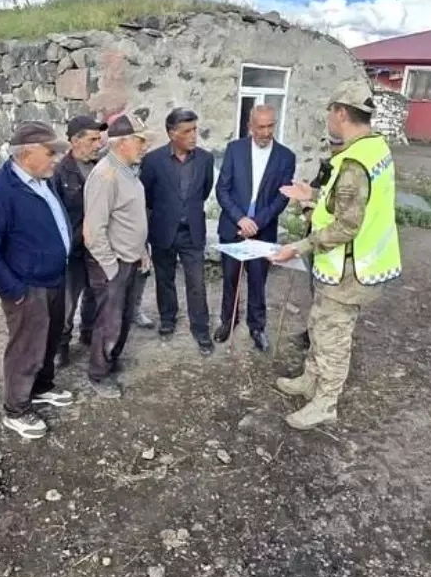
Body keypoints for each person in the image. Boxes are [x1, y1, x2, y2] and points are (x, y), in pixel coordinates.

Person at [269, 80, 402, 430]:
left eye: (330, 111)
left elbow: (347, 225)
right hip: (345, 265)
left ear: (341, 113)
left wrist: (299, 246)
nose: (328, 117)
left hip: (350, 269)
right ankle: (310, 379)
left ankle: (325, 403)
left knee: (333, 338)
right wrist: (311, 195)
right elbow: (344, 202)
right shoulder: (374, 149)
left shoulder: (355, 162)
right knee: (319, 324)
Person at [0, 121, 76, 440]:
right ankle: (16, 409)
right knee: (26, 347)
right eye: (50, 152)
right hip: (27, 285)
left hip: (54, 277)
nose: (57, 158)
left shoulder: (44, 180)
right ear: (27, 153)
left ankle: (41, 387)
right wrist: (13, 289)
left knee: (50, 338)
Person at [213, 104, 296, 351]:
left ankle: (257, 327)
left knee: (258, 281)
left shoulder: (286, 157)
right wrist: (241, 218)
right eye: (261, 127)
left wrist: (257, 222)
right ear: (250, 126)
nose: (266, 132)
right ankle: (228, 321)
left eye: (271, 126)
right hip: (233, 227)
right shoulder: (234, 149)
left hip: (263, 230)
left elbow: (282, 198)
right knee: (230, 278)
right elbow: (222, 189)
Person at [83, 113, 152, 399]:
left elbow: (130, 217)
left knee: (122, 317)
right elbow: (92, 231)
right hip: (112, 264)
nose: (145, 146)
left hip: (128, 259)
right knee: (108, 321)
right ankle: (98, 374)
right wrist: (111, 267)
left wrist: (141, 251)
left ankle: (110, 360)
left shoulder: (126, 170)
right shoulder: (105, 175)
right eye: (140, 141)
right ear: (123, 143)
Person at [140, 108, 216, 355]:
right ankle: (167, 318)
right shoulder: (153, 161)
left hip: (192, 231)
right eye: (187, 131)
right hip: (163, 229)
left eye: (195, 130)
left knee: (197, 282)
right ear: (172, 134)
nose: (193, 135)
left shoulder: (205, 159)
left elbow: (205, 190)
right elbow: (147, 196)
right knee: (165, 278)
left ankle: (201, 329)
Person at [52, 115, 107, 367]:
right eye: (92, 139)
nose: (98, 144)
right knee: (67, 301)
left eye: (99, 139)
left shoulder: (102, 168)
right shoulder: (59, 172)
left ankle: (89, 333)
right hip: (72, 249)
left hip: (97, 246)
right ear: (75, 141)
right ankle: (61, 345)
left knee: (95, 294)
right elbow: (54, 214)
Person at [292, 156, 333, 351]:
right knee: (315, 290)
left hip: (331, 246)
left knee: (327, 297)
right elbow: (316, 193)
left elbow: (322, 214)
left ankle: (323, 339)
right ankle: (313, 332)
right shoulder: (329, 167)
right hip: (315, 240)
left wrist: (306, 206)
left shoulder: (347, 173)